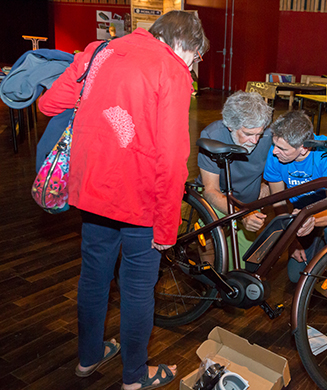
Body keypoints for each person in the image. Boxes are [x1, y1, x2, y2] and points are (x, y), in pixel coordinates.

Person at [38, 11, 209, 390]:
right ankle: (134, 377)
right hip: (139, 201)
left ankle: (89, 358)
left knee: (94, 278)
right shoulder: (171, 69)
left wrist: (110, 114)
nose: (194, 67)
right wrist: (167, 228)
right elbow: (170, 158)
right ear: (186, 46)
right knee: (135, 289)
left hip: (91, 192)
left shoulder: (98, 51)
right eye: (196, 58)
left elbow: (49, 105)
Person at [263, 110, 327, 322]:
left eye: (282, 148)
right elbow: (279, 202)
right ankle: (320, 259)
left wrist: (313, 220)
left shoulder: (325, 155)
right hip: (302, 214)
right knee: (294, 275)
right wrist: (294, 239)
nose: (274, 152)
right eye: (274, 145)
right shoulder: (275, 156)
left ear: (304, 147)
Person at [197, 91, 273, 265]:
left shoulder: (268, 135)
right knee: (209, 244)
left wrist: (267, 183)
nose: (254, 141)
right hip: (218, 196)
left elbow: (281, 165)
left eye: (258, 134)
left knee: (246, 265)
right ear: (230, 126)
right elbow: (211, 190)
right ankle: (211, 287)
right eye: (247, 134)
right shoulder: (212, 135)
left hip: (247, 200)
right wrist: (242, 215)